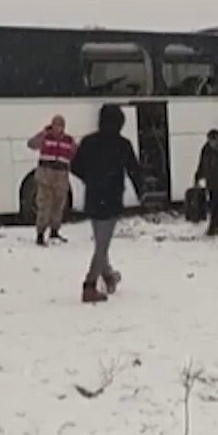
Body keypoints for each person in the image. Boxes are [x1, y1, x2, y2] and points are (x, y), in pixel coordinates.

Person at [70, 103, 145, 303]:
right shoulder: (123, 144)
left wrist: (91, 178)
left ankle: (109, 275)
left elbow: (75, 166)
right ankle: (89, 285)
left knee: (100, 240)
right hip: (111, 197)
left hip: (93, 196)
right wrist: (141, 191)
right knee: (102, 245)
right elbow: (134, 170)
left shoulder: (88, 142)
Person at [27, 114, 76, 246]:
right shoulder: (45, 137)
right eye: (55, 125)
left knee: (58, 206)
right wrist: (43, 133)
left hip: (61, 176)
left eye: (60, 126)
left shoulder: (69, 140)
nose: (58, 128)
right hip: (45, 176)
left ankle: (54, 230)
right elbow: (31, 144)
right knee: (44, 205)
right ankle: (40, 234)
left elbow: (75, 154)